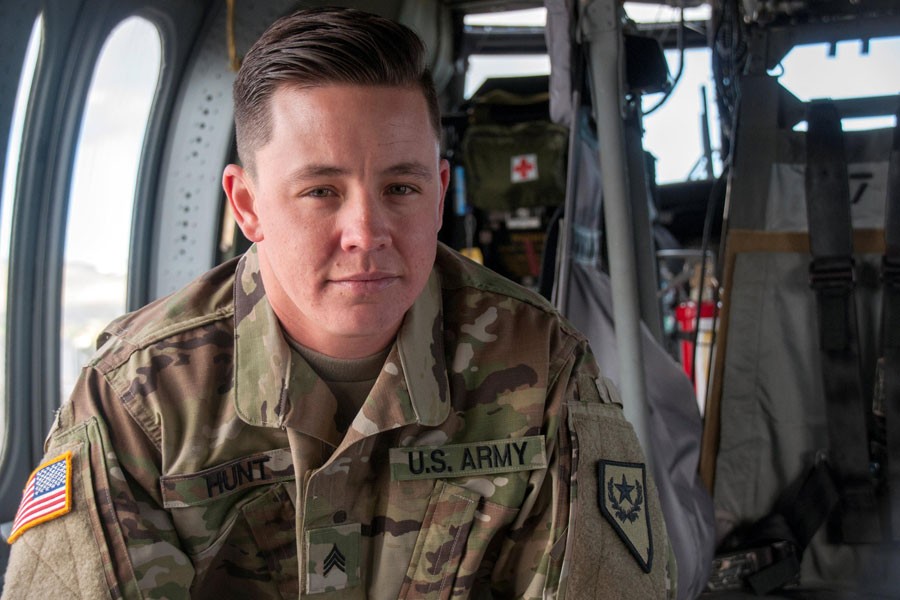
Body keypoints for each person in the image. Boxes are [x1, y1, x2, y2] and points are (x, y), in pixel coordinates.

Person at [3, 7, 673, 598]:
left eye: (401, 188)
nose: (367, 233)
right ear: (248, 205)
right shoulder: (139, 400)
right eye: (322, 191)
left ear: (440, 193)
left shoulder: (545, 369)